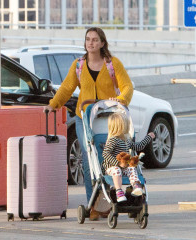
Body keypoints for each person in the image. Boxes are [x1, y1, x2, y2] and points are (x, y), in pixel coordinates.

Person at [43, 27, 134, 220]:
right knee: (88, 159)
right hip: (84, 118)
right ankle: (93, 204)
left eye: (94, 40)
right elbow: (67, 87)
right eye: (87, 39)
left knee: (108, 157)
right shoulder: (79, 65)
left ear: (102, 43)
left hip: (108, 118)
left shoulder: (112, 64)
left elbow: (127, 86)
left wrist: (122, 99)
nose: (90, 43)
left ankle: (108, 199)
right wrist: (53, 105)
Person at [102, 112, 155, 202]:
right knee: (117, 169)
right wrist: (118, 163)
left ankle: (136, 186)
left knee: (132, 168)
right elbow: (105, 153)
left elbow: (138, 146)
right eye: (126, 124)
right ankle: (119, 191)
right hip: (111, 168)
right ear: (121, 126)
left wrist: (148, 137)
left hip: (124, 167)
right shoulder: (113, 140)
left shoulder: (126, 140)